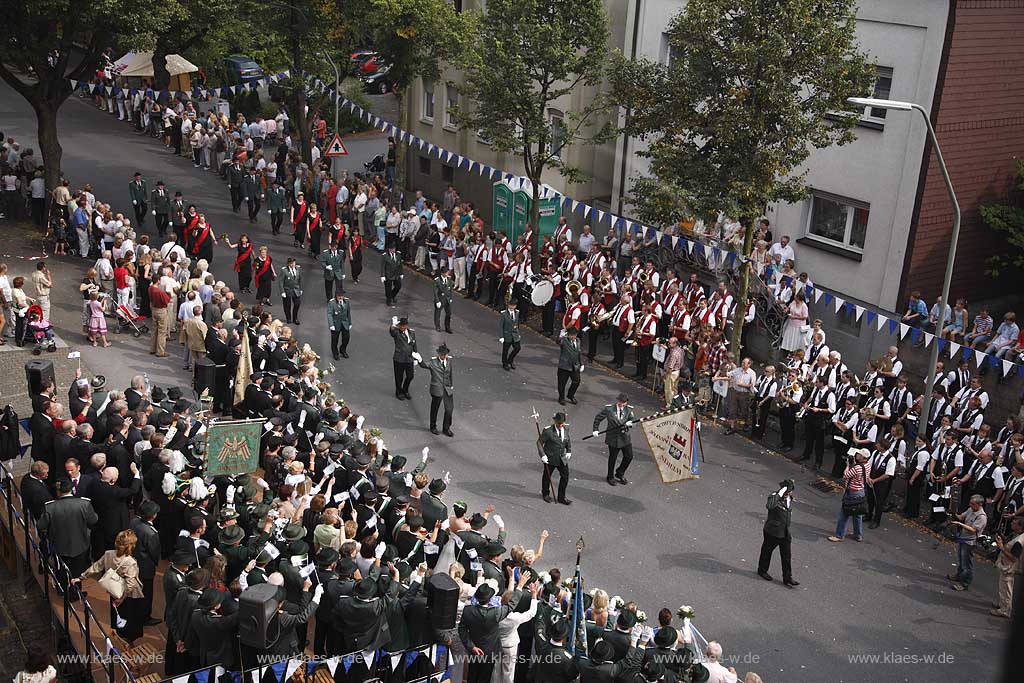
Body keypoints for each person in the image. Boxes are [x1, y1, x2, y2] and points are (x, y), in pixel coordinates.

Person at [757, 479, 798, 587]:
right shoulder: (774, 497)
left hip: (785, 532)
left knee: (786, 555)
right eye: (788, 490)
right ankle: (762, 570)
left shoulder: (789, 498)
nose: (789, 492)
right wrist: (780, 493)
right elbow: (769, 506)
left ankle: (787, 577)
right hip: (772, 531)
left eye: (791, 490)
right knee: (767, 551)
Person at [593, 392, 636, 486]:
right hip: (613, 437)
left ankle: (620, 473)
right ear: (617, 400)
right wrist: (595, 429)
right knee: (613, 458)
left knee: (629, 456)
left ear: (627, 402)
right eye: (620, 401)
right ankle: (610, 476)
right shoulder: (609, 409)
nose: (622, 404)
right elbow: (598, 418)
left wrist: (630, 423)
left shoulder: (628, 410)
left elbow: (633, 420)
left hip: (625, 437)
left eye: (624, 402)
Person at [947, 494, 988, 592]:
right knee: (961, 559)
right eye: (970, 503)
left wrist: (960, 524)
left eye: (973, 504)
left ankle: (964, 583)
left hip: (970, 542)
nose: (970, 505)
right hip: (963, 537)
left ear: (980, 504)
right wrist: (954, 514)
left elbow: (973, 530)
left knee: (967, 564)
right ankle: (958, 575)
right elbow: (961, 517)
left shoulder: (981, 517)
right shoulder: (971, 509)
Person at [829, 448, 869, 543]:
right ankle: (857, 535)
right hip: (861, 491)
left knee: (844, 513)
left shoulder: (857, 468)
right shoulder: (867, 465)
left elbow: (846, 475)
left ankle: (839, 535)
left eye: (859, 454)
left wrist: (848, 466)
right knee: (857, 514)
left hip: (852, 492)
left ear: (863, 457)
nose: (857, 455)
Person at [418, 344, 455, 437]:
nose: (444, 356)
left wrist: (451, 385)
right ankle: (433, 426)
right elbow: (424, 365)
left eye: (446, 354)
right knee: (435, 408)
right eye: (443, 354)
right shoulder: (433, 362)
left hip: (447, 388)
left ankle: (446, 428)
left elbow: (450, 373)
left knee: (449, 409)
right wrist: (419, 360)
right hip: (437, 388)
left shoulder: (449, 361)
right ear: (439, 354)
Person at [992, 516, 1024, 617]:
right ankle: (1002, 605)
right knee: (1003, 587)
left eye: (1014, 522)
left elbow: (1014, 558)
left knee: (1006, 588)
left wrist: (1001, 547)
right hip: (1006, 565)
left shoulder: (1019, 542)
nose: (1011, 523)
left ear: (1020, 526)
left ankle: (1005, 610)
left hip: (1009, 567)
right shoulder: (1016, 535)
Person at [538, 412, 572, 505]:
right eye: (558, 423)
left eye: (562, 423)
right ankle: (545, 494)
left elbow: (567, 439)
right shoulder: (548, 431)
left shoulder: (566, 428)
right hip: (551, 457)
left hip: (562, 457)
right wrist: (543, 455)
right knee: (547, 477)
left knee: (565, 477)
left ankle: (561, 497)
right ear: (555, 421)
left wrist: (569, 450)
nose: (560, 425)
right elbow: (539, 443)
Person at [390, 316, 418, 400]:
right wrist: (393, 325)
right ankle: (399, 392)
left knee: (410, 376)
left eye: (404, 325)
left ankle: (405, 390)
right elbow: (392, 332)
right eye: (400, 325)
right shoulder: (397, 333)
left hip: (409, 358)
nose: (402, 327)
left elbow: (414, 344)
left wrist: (416, 356)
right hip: (399, 358)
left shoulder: (412, 333)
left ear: (407, 325)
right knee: (399, 377)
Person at [556, 327, 582, 406]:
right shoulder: (564, 341)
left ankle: (570, 395)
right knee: (562, 383)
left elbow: (578, 353)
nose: (572, 337)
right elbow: (558, 342)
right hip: (564, 366)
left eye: (574, 335)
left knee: (576, 381)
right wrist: (560, 336)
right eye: (570, 335)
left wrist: (581, 363)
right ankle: (561, 398)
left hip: (574, 366)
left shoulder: (578, 341)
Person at [327, 289, 352, 360]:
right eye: (339, 296)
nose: (340, 297)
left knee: (346, 338)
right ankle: (335, 353)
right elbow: (329, 314)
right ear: (336, 296)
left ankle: (343, 350)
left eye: (342, 296)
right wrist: (331, 324)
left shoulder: (347, 301)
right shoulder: (332, 303)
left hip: (345, 323)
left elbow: (348, 313)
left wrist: (350, 323)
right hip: (336, 324)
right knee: (335, 340)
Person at [499, 298, 522, 372]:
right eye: (511, 305)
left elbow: (517, 324)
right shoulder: (504, 314)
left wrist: (518, 333)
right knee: (505, 350)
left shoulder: (517, 313)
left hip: (515, 335)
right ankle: (505, 363)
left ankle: (510, 360)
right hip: (507, 335)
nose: (512, 307)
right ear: (508, 305)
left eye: (514, 305)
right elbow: (501, 326)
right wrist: (501, 336)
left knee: (517, 348)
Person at [280, 257, 303, 325]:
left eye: (294, 263)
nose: (293, 264)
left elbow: (300, 279)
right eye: (291, 263)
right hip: (287, 289)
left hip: (296, 289)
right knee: (287, 305)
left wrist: (300, 288)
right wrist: (282, 291)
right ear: (288, 264)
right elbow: (281, 281)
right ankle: (288, 318)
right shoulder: (284, 270)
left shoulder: (298, 268)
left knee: (297, 304)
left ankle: (295, 318)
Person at [434, 265, 454, 333]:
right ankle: (437, 326)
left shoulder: (449, 279)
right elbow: (435, 292)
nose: (446, 274)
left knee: (448, 314)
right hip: (440, 299)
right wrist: (437, 301)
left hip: (447, 299)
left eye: (447, 272)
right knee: (438, 314)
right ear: (442, 273)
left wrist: (450, 298)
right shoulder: (437, 280)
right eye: (445, 272)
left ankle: (447, 327)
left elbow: (450, 289)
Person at [383, 243, 404, 307]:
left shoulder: (398, 254)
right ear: (389, 249)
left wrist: (401, 273)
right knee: (388, 288)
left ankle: (392, 295)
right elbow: (382, 266)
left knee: (398, 286)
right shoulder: (385, 256)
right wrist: (382, 275)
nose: (393, 250)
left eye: (394, 249)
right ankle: (388, 300)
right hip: (388, 274)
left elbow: (400, 265)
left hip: (396, 274)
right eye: (391, 249)